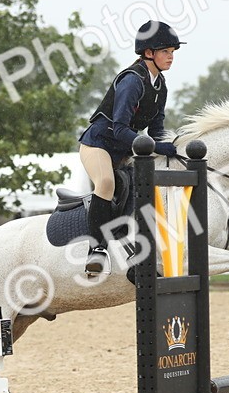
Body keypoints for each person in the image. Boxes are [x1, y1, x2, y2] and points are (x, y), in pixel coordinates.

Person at [78, 20, 184, 274]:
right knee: (105, 183)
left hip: (124, 149)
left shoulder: (160, 86)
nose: (171, 58)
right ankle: (97, 250)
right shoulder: (132, 81)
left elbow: (156, 129)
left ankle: (140, 247)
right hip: (98, 144)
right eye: (165, 52)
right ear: (149, 53)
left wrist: (171, 145)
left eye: (172, 52)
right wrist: (156, 146)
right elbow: (120, 127)